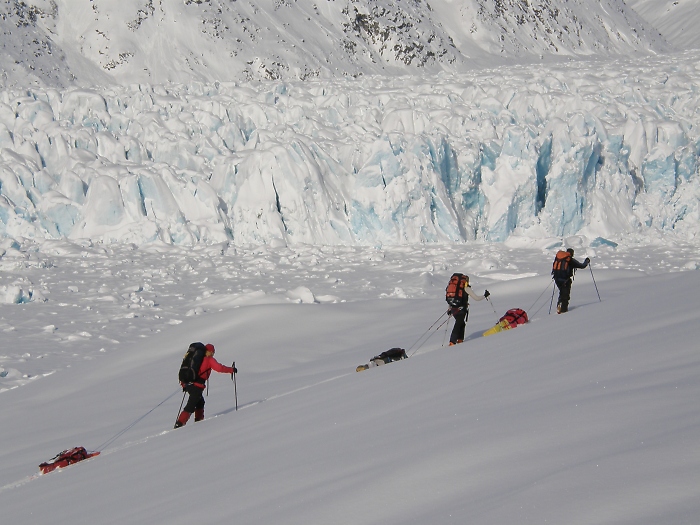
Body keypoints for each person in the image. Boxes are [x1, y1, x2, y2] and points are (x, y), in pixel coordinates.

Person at [175, 343, 236, 428]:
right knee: (191, 405)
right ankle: (180, 424)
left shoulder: (196, 359)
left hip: (188, 384)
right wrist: (231, 370)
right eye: (212, 352)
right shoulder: (209, 360)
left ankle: (199, 422)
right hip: (197, 386)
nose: (212, 354)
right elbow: (219, 368)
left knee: (200, 402)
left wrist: (184, 384)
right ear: (209, 351)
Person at [447, 275, 489, 346]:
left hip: (453, 309)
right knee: (458, 323)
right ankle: (452, 341)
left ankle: (460, 339)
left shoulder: (456, 289)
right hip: (461, 309)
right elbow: (477, 298)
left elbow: (451, 298)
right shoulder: (466, 288)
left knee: (461, 323)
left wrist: (449, 309)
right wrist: (485, 295)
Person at [552, 248, 590, 314]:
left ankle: (559, 305)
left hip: (557, 279)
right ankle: (563, 311)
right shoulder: (570, 260)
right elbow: (582, 266)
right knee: (565, 295)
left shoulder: (559, 258)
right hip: (566, 280)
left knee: (562, 292)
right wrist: (587, 261)